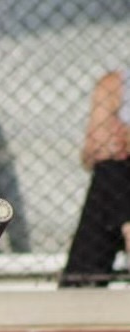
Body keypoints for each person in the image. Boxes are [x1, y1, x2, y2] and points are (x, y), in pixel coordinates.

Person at [60, 69, 130, 287]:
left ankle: (80, 283)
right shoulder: (115, 84)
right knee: (109, 170)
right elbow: (93, 153)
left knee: (110, 176)